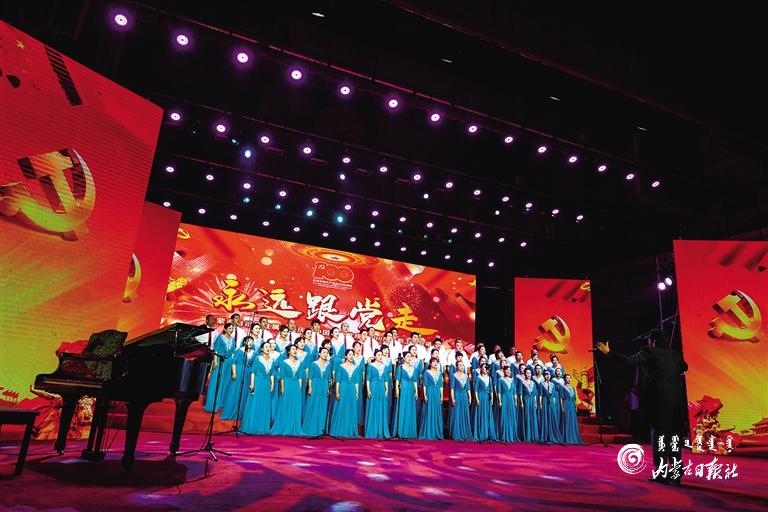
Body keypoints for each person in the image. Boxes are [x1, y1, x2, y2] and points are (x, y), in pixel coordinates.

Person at [595, 331, 688, 486]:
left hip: (659, 403)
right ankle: (676, 475)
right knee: (674, 440)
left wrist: (609, 353)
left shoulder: (649, 352)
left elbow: (629, 360)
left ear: (652, 341)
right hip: (677, 403)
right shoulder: (675, 355)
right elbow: (684, 367)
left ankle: (662, 474)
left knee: (659, 438)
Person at [240, 341, 275, 435]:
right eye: (266, 347)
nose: (268, 348)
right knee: (255, 403)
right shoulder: (257, 359)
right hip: (258, 382)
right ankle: (252, 426)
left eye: (269, 347)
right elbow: (253, 372)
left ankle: (262, 427)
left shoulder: (272, 360)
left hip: (266, 383)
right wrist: (252, 384)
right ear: (262, 349)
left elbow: (272, 373)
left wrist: (272, 384)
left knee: (264, 404)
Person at [270, 344, 304, 436]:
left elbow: (300, 377)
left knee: (295, 406)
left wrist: (299, 388)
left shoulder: (300, 363)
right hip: (287, 384)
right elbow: (281, 377)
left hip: (296, 385)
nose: (295, 350)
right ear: (288, 351)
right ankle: (284, 426)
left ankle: (294, 428)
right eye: (293, 349)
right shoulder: (284, 362)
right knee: (285, 404)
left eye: (295, 349)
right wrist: (282, 388)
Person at [220, 335, 256, 421]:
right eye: (248, 341)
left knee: (245, 392)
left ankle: (241, 414)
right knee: (235, 391)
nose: (250, 343)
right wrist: (234, 372)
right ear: (244, 342)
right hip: (239, 371)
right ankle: (231, 412)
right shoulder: (239, 351)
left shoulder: (255, 353)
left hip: (248, 373)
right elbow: (234, 362)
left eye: (251, 341)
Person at [204, 323, 236, 413]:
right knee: (216, 381)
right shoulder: (220, 338)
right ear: (225, 329)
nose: (231, 330)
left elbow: (232, 352)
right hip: (219, 361)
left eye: (232, 329)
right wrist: (215, 361)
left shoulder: (233, 339)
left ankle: (221, 403)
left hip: (228, 362)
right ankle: (212, 404)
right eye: (229, 328)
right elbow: (216, 351)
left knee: (225, 382)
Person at [301, 346, 333, 436]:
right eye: (324, 352)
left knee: (323, 406)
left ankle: (320, 429)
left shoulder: (329, 365)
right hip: (315, 385)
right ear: (319, 353)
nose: (325, 354)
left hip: (324, 386)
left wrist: (328, 388)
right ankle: (310, 428)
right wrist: (310, 387)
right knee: (312, 405)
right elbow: (310, 377)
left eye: (327, 353)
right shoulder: (313, 364)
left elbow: (329, 378)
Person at [329, 349, 360, 438]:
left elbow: (356, 382)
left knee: (351, 408)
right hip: (343, 388)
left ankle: (349, 431)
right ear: (346, 356)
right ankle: (338, 430)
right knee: (341, 407)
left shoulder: (356, 367)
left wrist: (357, 392)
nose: (351, 356)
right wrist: (337, 392)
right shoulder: (340, 367)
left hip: (352, 389)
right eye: (349, 354)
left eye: (352, 355)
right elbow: (338, 380)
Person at [364, 349, 391, 439]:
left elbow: (386, 379)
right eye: (378, 355)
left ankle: (381, 431)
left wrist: (386, 389)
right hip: (373, 387)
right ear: (375, 356)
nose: (380, 356)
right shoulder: (370, 366)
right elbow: (368, 379)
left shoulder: (385, 366)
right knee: (373, 407)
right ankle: (371, 431)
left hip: (382, 388)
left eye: (381, 355)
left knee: (381, 407)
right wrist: (368, 390)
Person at [393, 352, 418, 438]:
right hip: (403, 388)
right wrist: (397, 389)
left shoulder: (413, 368)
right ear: (404, 358)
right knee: (402, 407)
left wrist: (416, 391)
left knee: (410, 408)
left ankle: (409, 432)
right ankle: (401, 431)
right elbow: (397, 379)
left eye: (410, 356)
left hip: (411, 389)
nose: (409, 358)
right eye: (407, 356)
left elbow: (415, 380)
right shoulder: (400, 367)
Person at [418, 357, 444, 440]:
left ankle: (436, 432)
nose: (435, 363)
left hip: (437, 393)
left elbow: (441, 385)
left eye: (436, 362)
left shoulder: (440, 373)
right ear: (430, 363)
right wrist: (425, 395)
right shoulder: (427, 372)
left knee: (436, 411)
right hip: (429, 392)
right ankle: (428, 432)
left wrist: (442, 395)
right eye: (433, 362)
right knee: (428, 410)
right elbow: (424, 385)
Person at [449, 360, 472, 441]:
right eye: (460, 365)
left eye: (462, 365)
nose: (462, 367)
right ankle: (456, 433)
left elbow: (468, 388)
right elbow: (452, 388)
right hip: (457, 395)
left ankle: (464, 433)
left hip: (464, 396)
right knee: (456, 413)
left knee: (464, 413)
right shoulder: (454, 375)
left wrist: (470, 397)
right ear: (457, 367)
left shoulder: (466, 376)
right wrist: (452, 398)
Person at [472, 363, 497, 441]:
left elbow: (491, 390)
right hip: (480, 397)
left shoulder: (490, 378)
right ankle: (480, 433)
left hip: (487, 398)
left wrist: (492, 398)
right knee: (480, 414)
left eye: (487, 367)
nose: (486, 369)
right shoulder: (478, 377)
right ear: (481, 369)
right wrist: (477, 399)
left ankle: (488, 433)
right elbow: (475, 390)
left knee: (487, 415)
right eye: (484, 367)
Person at [496, 366, 519, 442]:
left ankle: (512, 435)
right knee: (504, 416)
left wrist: (515, 401)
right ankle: (504, 435)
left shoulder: (512, 380)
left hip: (511, 399)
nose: (508, 371)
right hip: (504, 398)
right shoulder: (500, 380)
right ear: (503, 371)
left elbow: (514, 392)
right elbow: (499, 392)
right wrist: (500, 401)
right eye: (507, 370)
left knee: (511, 416)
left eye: (509, 370)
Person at [559, 374, 583, 445]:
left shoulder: (572, 388)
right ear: (564, 379)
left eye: (570, 378)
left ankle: (573, 437)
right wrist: (562, 407)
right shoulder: (562, 387)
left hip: (572, 405)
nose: (569, 379)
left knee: (572, 421)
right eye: (567, 378)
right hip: (566, 404)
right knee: (567, 420)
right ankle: (567, 438)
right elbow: (561, 398)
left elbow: (574, 399)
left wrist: (575, 407)